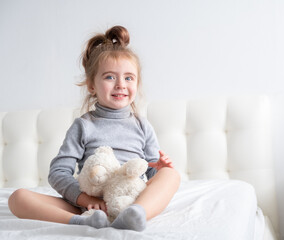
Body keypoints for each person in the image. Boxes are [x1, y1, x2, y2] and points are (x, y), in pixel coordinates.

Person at [8, 25, 180, 231]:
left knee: (172, 175)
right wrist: (84, 198)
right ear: (91, 85)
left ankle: (136, 213)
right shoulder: (84, 125)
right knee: (18, 198)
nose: (120, 84)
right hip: (91, 206)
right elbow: (58, 172)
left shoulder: (142, 125)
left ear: (137, 83)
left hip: (130, 198)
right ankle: (83, 222)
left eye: (128, 77)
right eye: (109, 77)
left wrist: (159, 167)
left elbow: (151, 173)